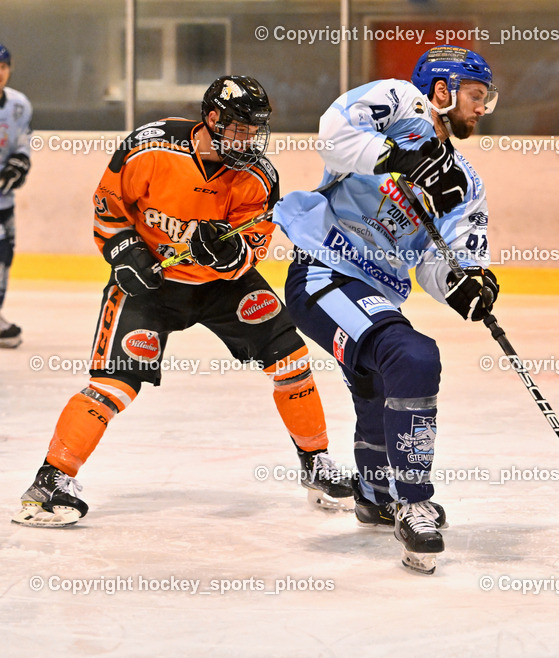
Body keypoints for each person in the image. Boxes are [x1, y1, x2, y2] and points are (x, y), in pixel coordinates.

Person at [12, 75, 352, 528]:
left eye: (254, 130)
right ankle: (50, 480)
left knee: (290, 358)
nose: (248, 139)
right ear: (212, 118)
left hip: (222, 287)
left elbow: (251, 248)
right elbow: (108, 210)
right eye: (238, 128)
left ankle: (316, 463)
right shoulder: (148, 148)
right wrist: (125, 254)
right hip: (150, 284)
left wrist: (230, 255)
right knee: (115, 383)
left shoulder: (258, 175)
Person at [273, 45, 499, 574]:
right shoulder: (400, 103)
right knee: (412, 356)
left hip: (375, 293)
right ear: (441, 90)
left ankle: (377, 493)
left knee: (379, 380)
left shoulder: (465, 183)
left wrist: (465, 284)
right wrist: (400, 158)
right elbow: (332, 135)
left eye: (486, 99)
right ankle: (415, 501)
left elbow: (441, 261)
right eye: (475, 95)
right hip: (324, 271)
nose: (481, 108)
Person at [0, 43, 33, 348]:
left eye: (2, 66)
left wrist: (18, 163)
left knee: (4, 257)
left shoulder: (19, 105)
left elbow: (22, 146)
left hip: (3, 202)